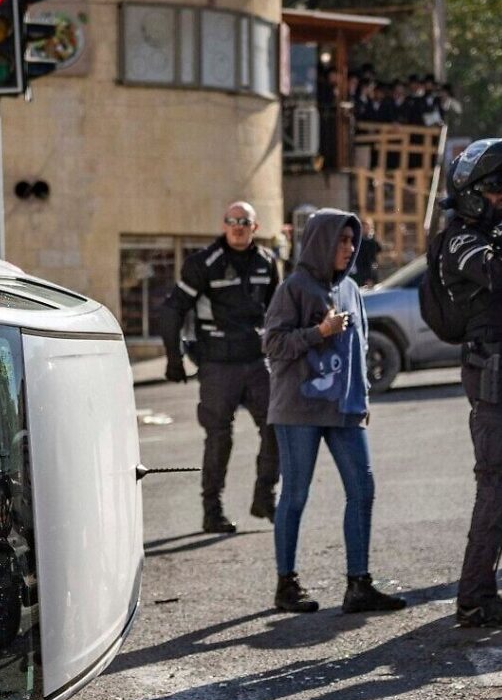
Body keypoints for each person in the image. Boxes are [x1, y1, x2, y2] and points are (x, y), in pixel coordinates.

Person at [262, 209, 407, 615]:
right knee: (295, 495)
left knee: (363, 489)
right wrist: (319, 333)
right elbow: (273, 345)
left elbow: (359, 351)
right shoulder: (293, 287)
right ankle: (286, 584)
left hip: (344, 410)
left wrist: (361, 401)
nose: (348, 249)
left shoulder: (351, 290)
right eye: (340, 241)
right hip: (299, 409)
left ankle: (358, 585)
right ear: (320, 242)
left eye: (351, 241)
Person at [436, 137, 502, 628]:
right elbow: (498, 275)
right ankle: (475, 597)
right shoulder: (460, 238)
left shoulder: (489, 234)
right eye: (496, 186)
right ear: (472, 191)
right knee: (495, 481)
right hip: (493, 369)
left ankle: (482, 588)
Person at [158, 200, 284, 534]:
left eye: (244, 221)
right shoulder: (204, 263)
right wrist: (174, 359)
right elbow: (172, 310)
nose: (238, 226)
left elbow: (278, 313)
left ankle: (264, 496)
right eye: (231, 220)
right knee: (219, 437)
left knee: (277, 426)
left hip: (257, 361)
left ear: (255, 227)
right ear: (223, 224)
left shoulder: (267, 263)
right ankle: (212, 512)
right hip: (217, 365)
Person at [351, 219, 382, 286]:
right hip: (362, 273)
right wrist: (367, 278)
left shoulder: (372, 240)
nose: (366, 229)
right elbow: (361, 261)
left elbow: (379, 250)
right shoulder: (359, 241)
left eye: (368, 227)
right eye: (364, 228)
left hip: (372, 270)